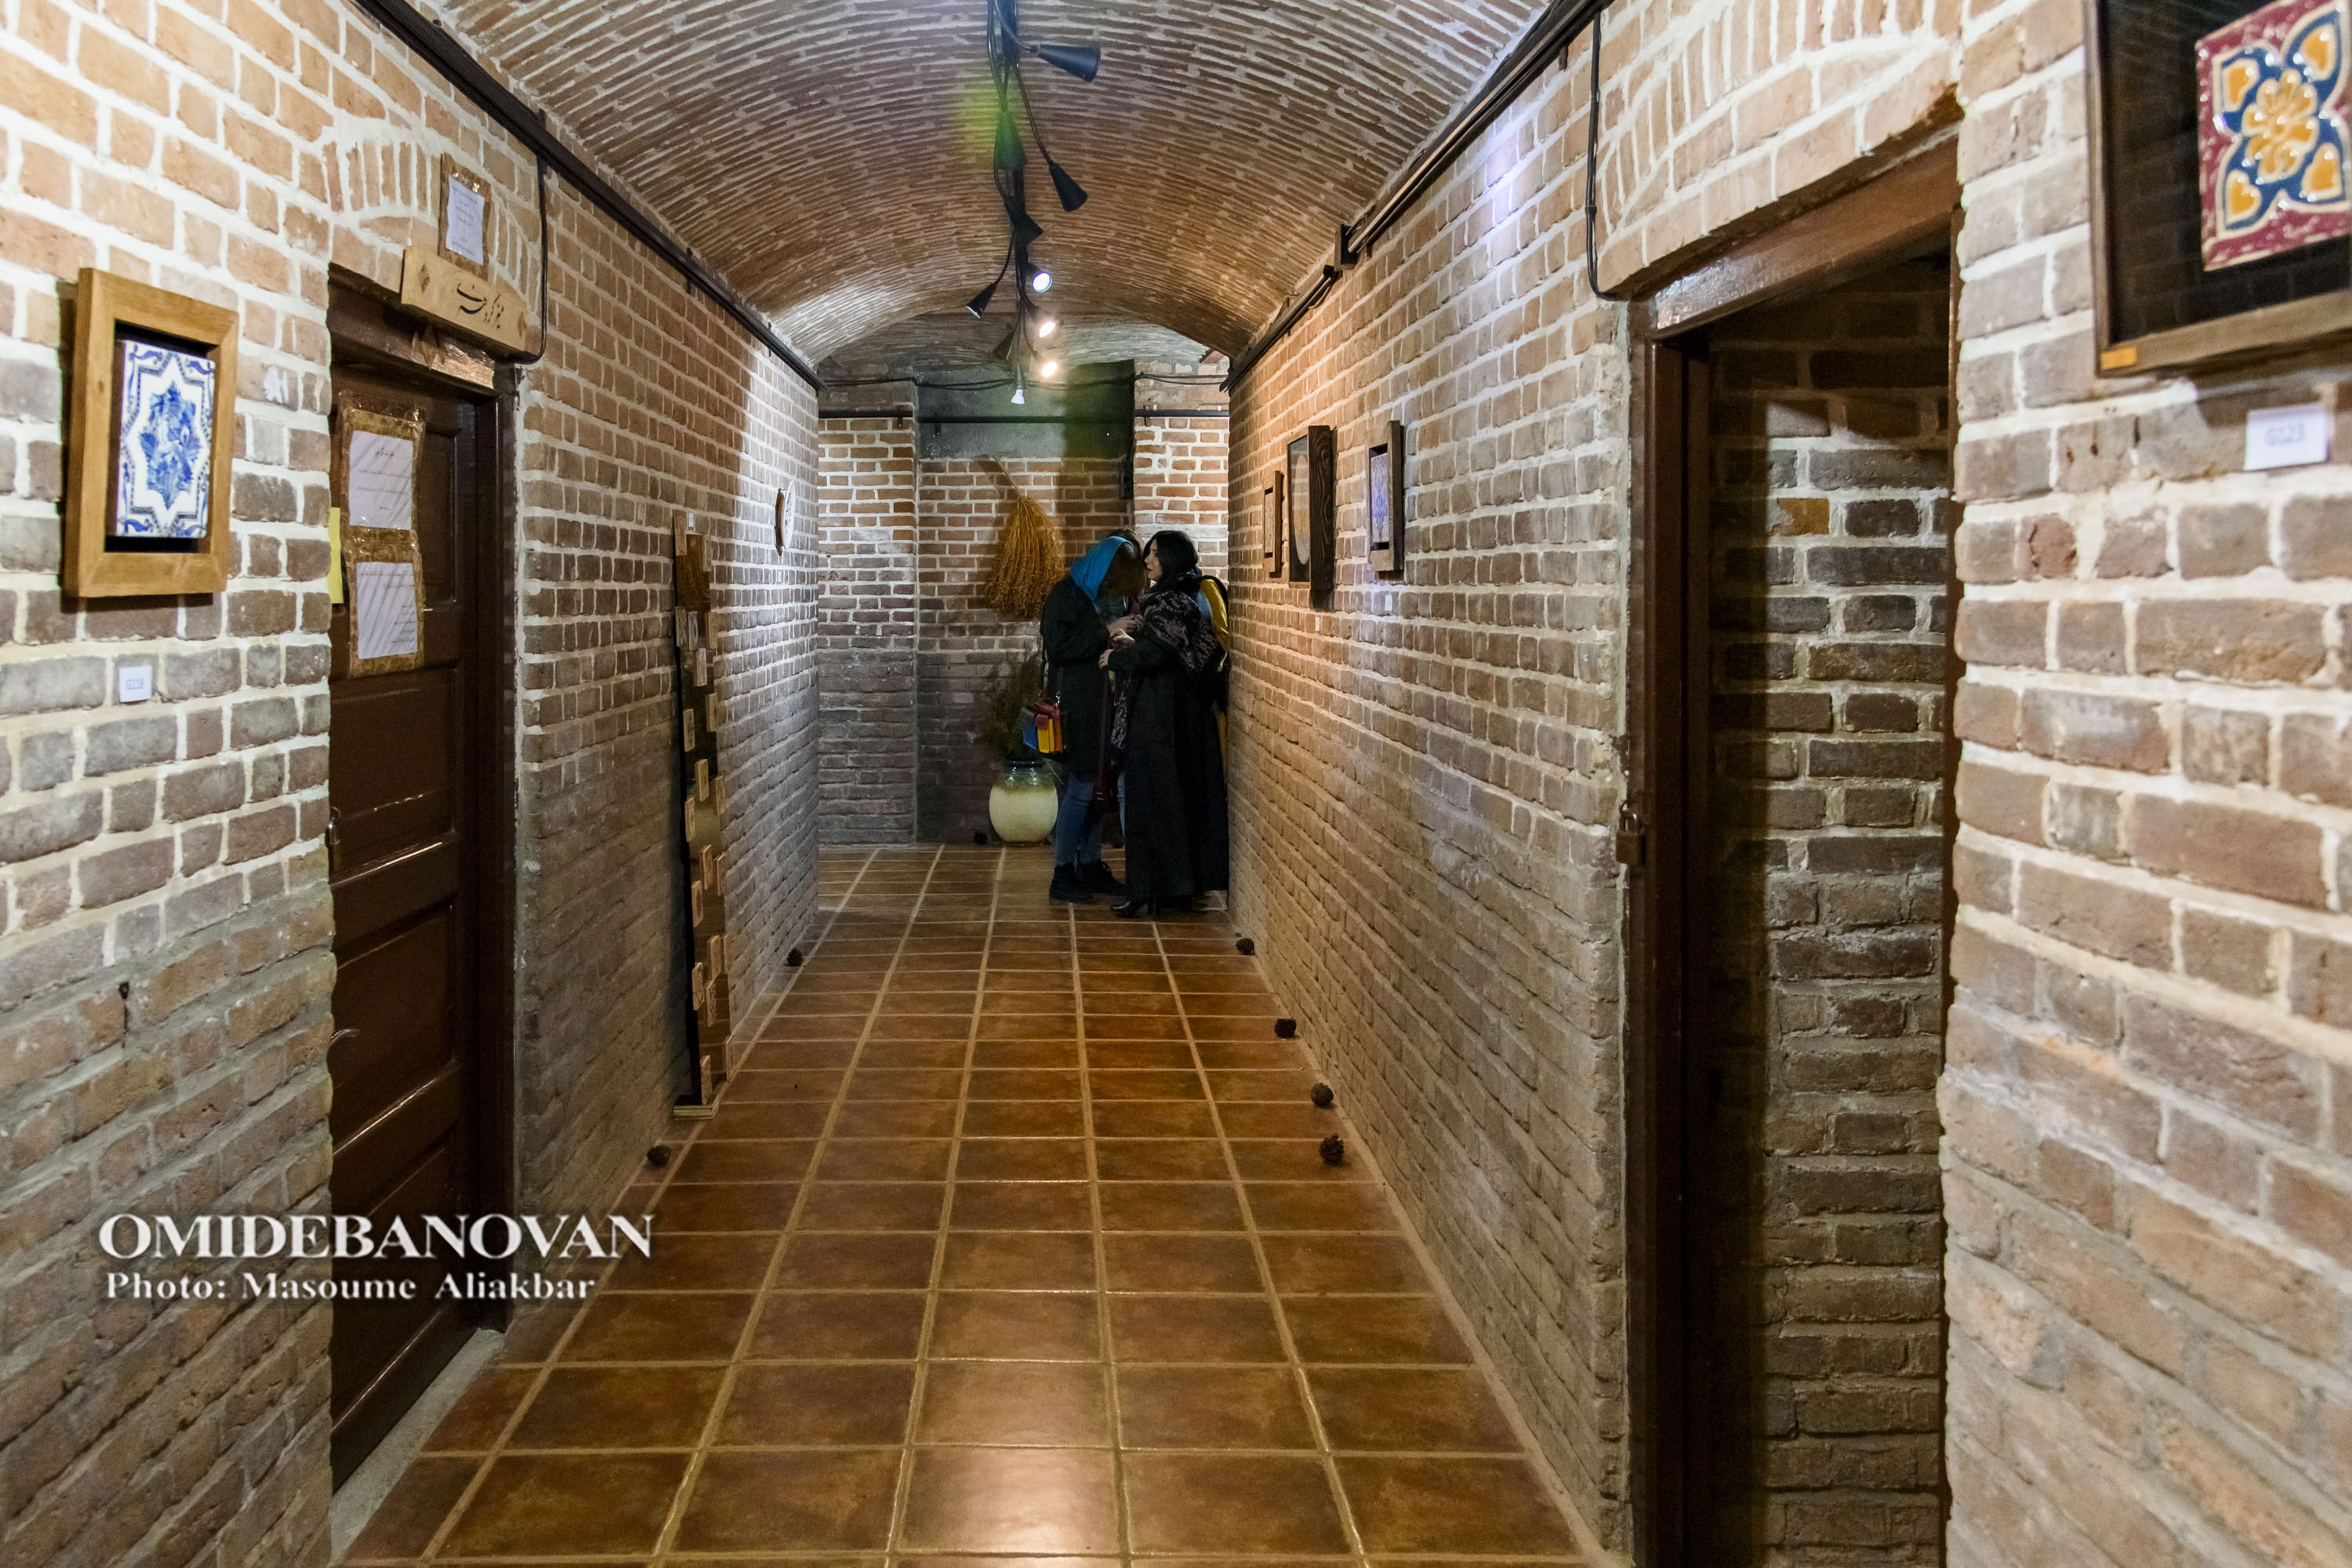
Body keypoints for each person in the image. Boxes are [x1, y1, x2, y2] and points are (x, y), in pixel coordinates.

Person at [1101, 529, 1229, 917]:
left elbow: (1158, 655)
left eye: (1156, 553)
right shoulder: (1183, 594)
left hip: (1161, 716)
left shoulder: (1171, 600)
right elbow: (1168, 649)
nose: (1148, 560)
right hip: (1177, 714)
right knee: (1172, 801)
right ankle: (1171, 890)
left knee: (1151, 801)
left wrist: (1117, 658)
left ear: (1172, 558)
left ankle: (1146, 889)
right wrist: (1134, 645)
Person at [1040, 533, 1142, 902]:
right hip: (1077, 708)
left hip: (1101, 705)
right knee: (1083, 787)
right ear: (1101, 571)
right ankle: (1063, 872)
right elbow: (1059, 648)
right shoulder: (1065, 595)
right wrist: (1108, 631)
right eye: (1112, 584)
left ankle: (1090, 865)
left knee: (1099, 787)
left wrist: (1118, 639)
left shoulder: (1092, 596)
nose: (1114, 593)